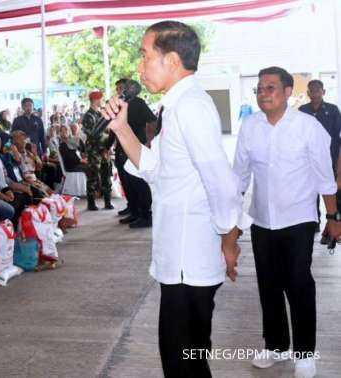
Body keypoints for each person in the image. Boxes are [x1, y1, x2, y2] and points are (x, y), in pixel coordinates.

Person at [101, 21, 250, 378]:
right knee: (186, 358)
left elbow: (222, 182)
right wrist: (121, 128)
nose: (139, 66)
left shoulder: (191, 107)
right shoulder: (177, 105)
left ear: (170, 60)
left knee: (183, 361)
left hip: (191, 258)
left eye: (145, 55)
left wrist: (230, 239)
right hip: (180, 257)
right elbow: (157, 169)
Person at [233, 67, 341, 378]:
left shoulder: (308, 127)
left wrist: (333, 218)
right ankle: (276, 346)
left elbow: (325, 177)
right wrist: (233, 220)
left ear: (288, 91)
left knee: (298, 283)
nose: (263, 93)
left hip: (298, 220)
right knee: (268, 284)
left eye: (270, 87)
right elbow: (239, 175)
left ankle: (305, 353)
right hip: (263, 220)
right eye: (259, 88)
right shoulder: (250, 127)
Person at [299, 79, 341, 236]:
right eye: (312, 90)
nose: (314, 93)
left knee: (331, 189)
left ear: (323, 92)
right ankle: (313, 220)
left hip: (330, 156)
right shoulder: (303, 110)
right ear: (308, 93)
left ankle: (333, 222)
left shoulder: (333, 109)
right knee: (310, 190)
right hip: (307, 159)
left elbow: (338, 134)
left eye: (317, 90)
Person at [116, 79, 157, 229]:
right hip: (123, 147)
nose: (119, 92)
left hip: (136, 147)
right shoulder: (122, 105)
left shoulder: (138, 103)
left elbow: (152, 120)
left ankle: (145, 215)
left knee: (138, 182)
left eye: (121, 88)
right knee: (127, 182)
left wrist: (149, 140)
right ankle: (134, 211)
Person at [81, 90, 115, 211]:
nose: (101, 101)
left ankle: (107, 201)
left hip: (104, 149)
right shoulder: (88, 116)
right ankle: (91, 203)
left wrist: (108, 146)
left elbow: (108, 131)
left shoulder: (101, 114)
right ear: (95, 100)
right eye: (100, 98)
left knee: (106, 175)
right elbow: (93, 134)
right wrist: (105, 143)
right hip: (95, 150)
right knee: (93, 176)